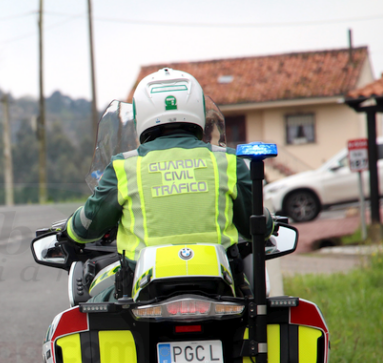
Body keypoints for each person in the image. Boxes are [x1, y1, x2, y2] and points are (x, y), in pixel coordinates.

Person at [63, 68, 271, 302]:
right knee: (255, 308)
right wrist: (270, 220)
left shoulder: (125, 166)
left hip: (142, 290)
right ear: (198, 111)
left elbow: (87, 226)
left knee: (89, 311)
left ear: (140, 116)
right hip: (221, 286)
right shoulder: (227, 161)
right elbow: (255, 224)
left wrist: (68, 230)